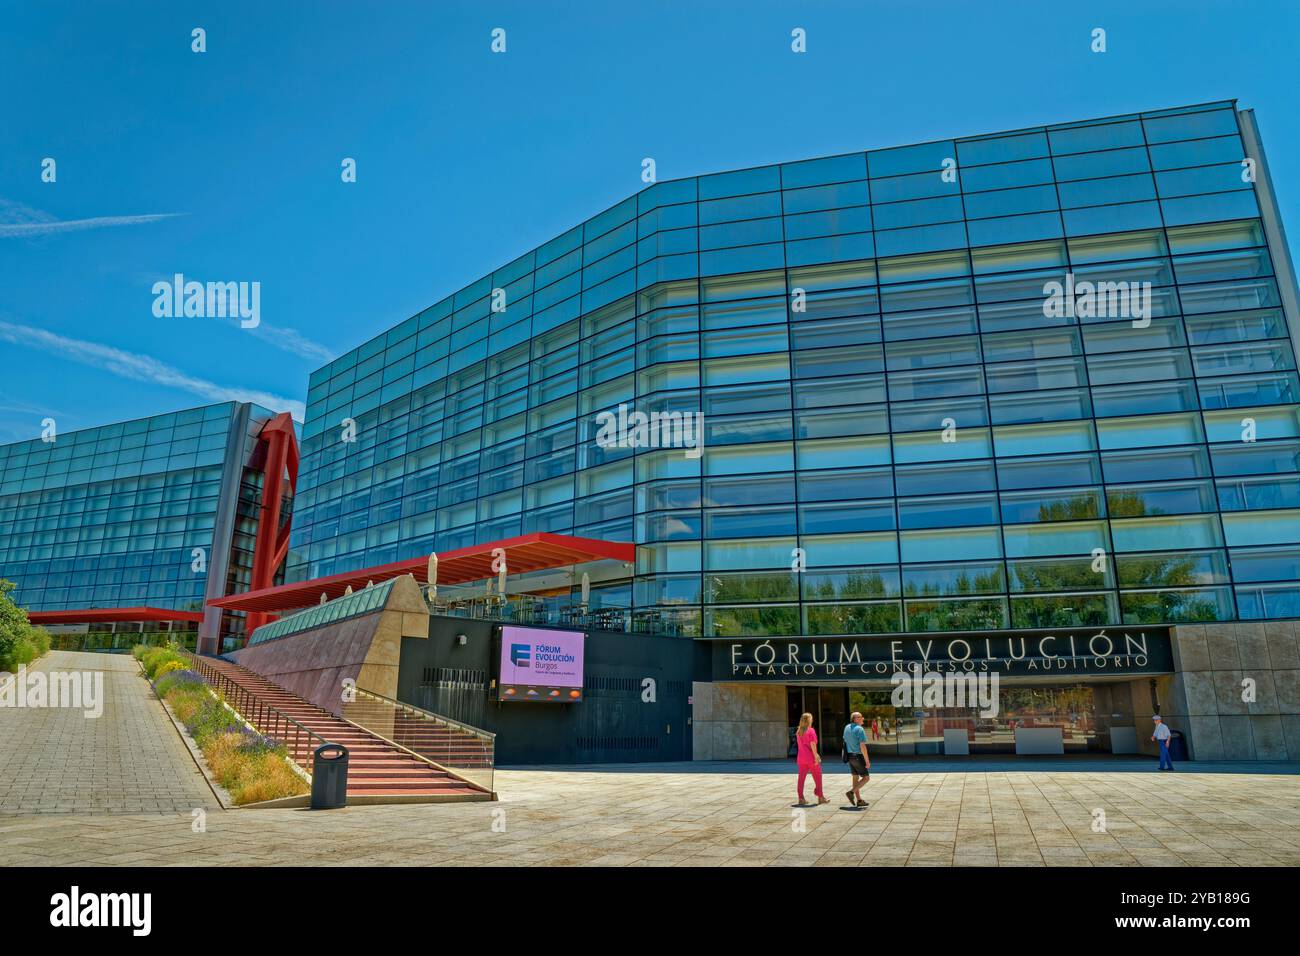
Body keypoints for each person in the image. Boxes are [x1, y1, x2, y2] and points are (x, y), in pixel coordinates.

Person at [794, 712, 829, 806]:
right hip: (810, 757)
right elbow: (813, 744)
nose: (812, 720)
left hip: (801, 758)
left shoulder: (798, 731)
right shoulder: (811, 731)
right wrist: (816, 755)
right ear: (809, 720)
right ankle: (820, 797)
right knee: (818, 776)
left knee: (801, 778)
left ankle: (801, 798)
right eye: (811, 718)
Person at [842, 711, 871, 807]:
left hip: (850, 756)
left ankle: (859, 800)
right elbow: (862, 746)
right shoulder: (860, 729)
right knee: (866, 778)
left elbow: (845, 741)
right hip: (858, 756)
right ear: (856, 719)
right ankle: (851, 792)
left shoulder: (846, 727)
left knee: (855, 777)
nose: (863, 718)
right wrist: (867, 760)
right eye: (861, 717)